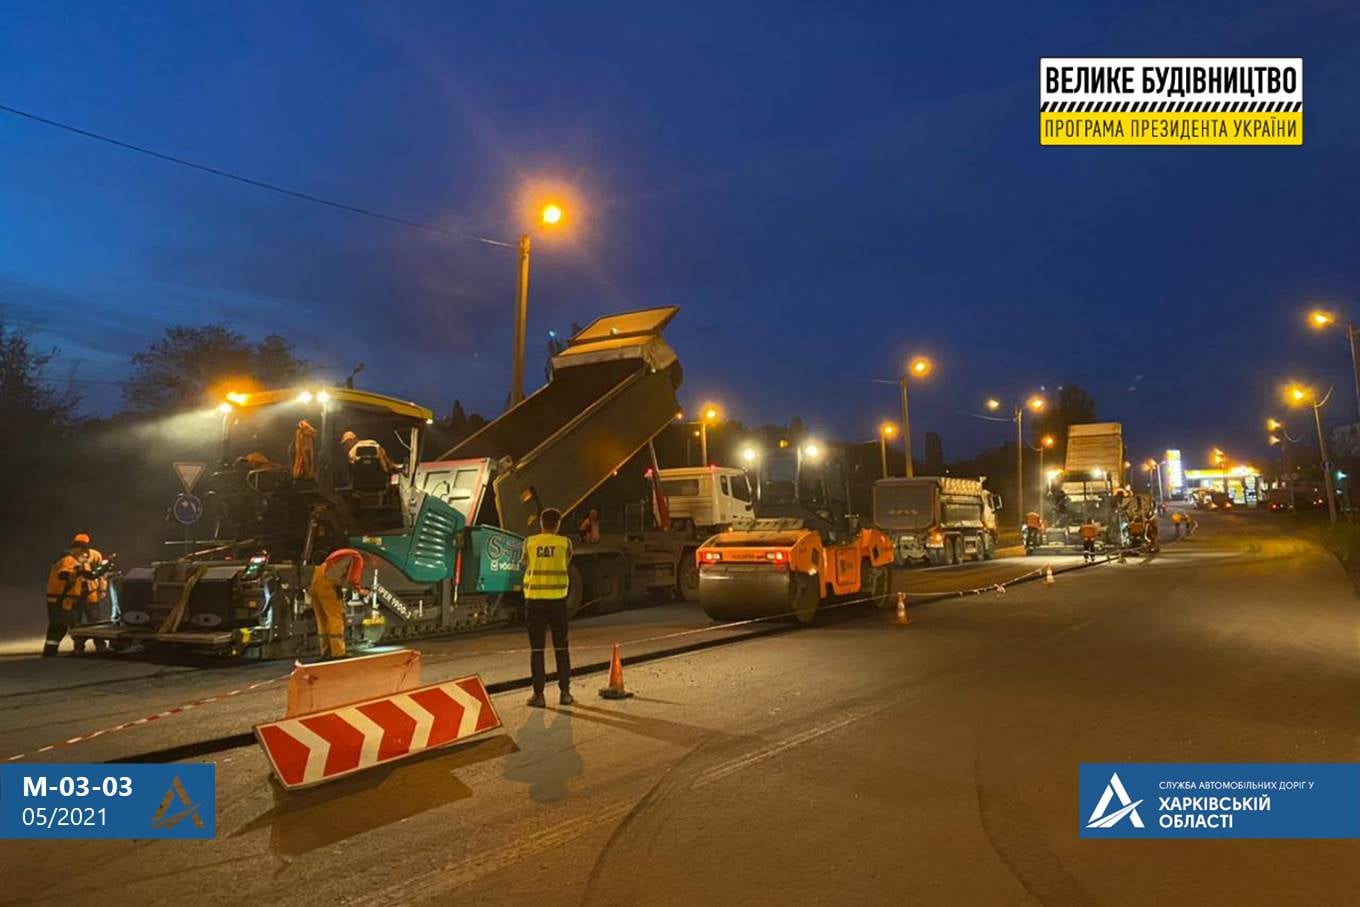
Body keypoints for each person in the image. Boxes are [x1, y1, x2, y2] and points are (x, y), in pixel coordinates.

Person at [521, 508, 574, 707]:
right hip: (558, 602)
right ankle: (565, 693)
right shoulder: (565, 544)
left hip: (534, 602)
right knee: (561, 647)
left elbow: (525, 562)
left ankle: (539, 695)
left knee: (537, 649)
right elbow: (567, 561)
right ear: (558, 524)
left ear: (541, 523)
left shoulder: (529, 543)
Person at [308, 548, 368, 659]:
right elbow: (352, 580)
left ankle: (325, 652)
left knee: (322, 620)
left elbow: (335, 572)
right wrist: (361, 591)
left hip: (315, 581)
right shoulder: (357, 557)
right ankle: (338, 653)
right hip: (327, 585)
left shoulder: (342, 553)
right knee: (336, 618)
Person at [43, 534, 95, 656]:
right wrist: (78, 571)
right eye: (82, 550)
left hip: (67, 599)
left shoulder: (75, 559)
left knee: (65, 624)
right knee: (58, 625)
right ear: (76, 549)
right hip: (58, 598)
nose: (83, 553)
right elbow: (64, 575)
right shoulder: (67, 559)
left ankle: (51, 651)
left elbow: (87, 576)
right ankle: (50, 651)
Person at [78, 542, 110, 653]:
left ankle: (100, 645)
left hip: (91, 593)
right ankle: (79, 646)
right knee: (77, 622)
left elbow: (102, 574)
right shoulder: (71, 558)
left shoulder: (95, 555)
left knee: (95, 621)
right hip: (76, 595)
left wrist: (102, 589)